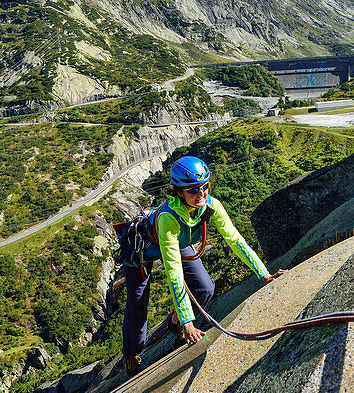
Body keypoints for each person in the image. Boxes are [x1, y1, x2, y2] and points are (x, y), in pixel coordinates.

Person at [120, 155, 286, 377]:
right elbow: (174, 271)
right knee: (138, 305)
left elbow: (235, 240)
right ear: (179, 191)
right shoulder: (168, 217)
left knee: (205, 288)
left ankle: (174, 323)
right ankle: (132, 354)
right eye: (193, 190)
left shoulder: (210, 206)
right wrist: (190, 321)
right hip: (140, 250)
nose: (201, 193)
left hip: (178, 241)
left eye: (205, 186)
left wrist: (263, 274)